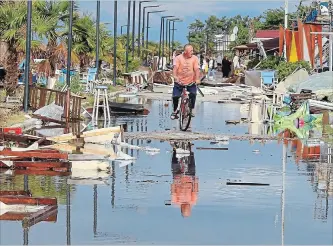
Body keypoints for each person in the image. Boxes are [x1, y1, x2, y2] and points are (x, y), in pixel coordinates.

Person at [171, 44, 201, 120]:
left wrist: (197, 79)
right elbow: (175, 68)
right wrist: (175, 76)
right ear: (185, 51)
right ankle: (175, 111)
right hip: (179, 82)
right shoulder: (178, 58)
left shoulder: (195, 58)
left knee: (193, 94)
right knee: (175, 96)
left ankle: (191, 109)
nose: (192, 52)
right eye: (191, 51)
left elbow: (197, 70)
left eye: (192, 50)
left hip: (191, 82)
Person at [170, 141, 198, 218]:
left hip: (178, 178)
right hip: (189, 177)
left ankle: (175, 150)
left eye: (185, 210)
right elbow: (195, 190)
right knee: (192, 167)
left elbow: (173, 191)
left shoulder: (175, 202)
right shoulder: (193, 201)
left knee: (175, 166)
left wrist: (174, 181)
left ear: (181, 209)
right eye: (188, 210)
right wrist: (196, 180)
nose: (187, 208)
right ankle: (190, 150)